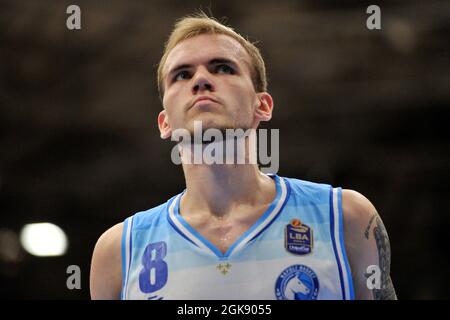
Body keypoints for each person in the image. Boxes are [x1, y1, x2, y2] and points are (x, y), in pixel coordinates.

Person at [89, 12, 397, 300]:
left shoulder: (344, 218)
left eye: (223, 68)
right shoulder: (118, 252)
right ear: (165, 122)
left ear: (262, 105)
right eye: (182, 74)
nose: (200, 80)